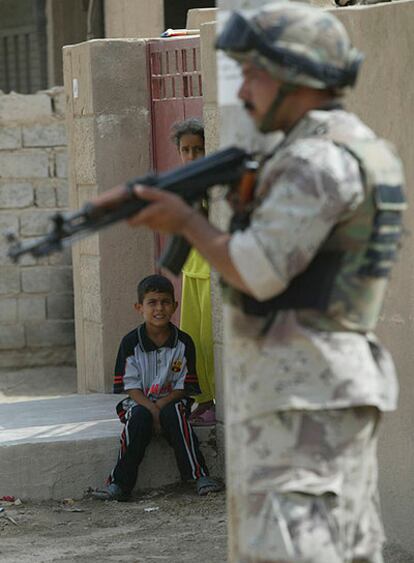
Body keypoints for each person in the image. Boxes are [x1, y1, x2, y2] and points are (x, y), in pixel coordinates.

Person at [94, 2, 406, 561]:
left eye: (254, 75)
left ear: (298, 77)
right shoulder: (343, 147)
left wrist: (186, 221)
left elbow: (259, 273)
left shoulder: (318, 160)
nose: (242, 94)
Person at [92, 274, 221, 501]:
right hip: (139, 402)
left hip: (172, 401)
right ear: (139, 307)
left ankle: (199, 476)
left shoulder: (183, 342)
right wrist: (152, 410)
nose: (159, 308)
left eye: (165, 302)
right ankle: (118, 484)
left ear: (175, 306)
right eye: (152, 303)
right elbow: (130, 387)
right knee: (137, 421)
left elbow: (183, 386)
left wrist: (160, 406)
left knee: (179, 418)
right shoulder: (131, 342)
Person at [170, 118, 216, 426]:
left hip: (212, 271)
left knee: (212, 341)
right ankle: (201, 400)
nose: (191, 156)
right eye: (186, 150)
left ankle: (216, 400)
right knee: (193, 341)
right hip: (191, 270)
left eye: (198, 150)